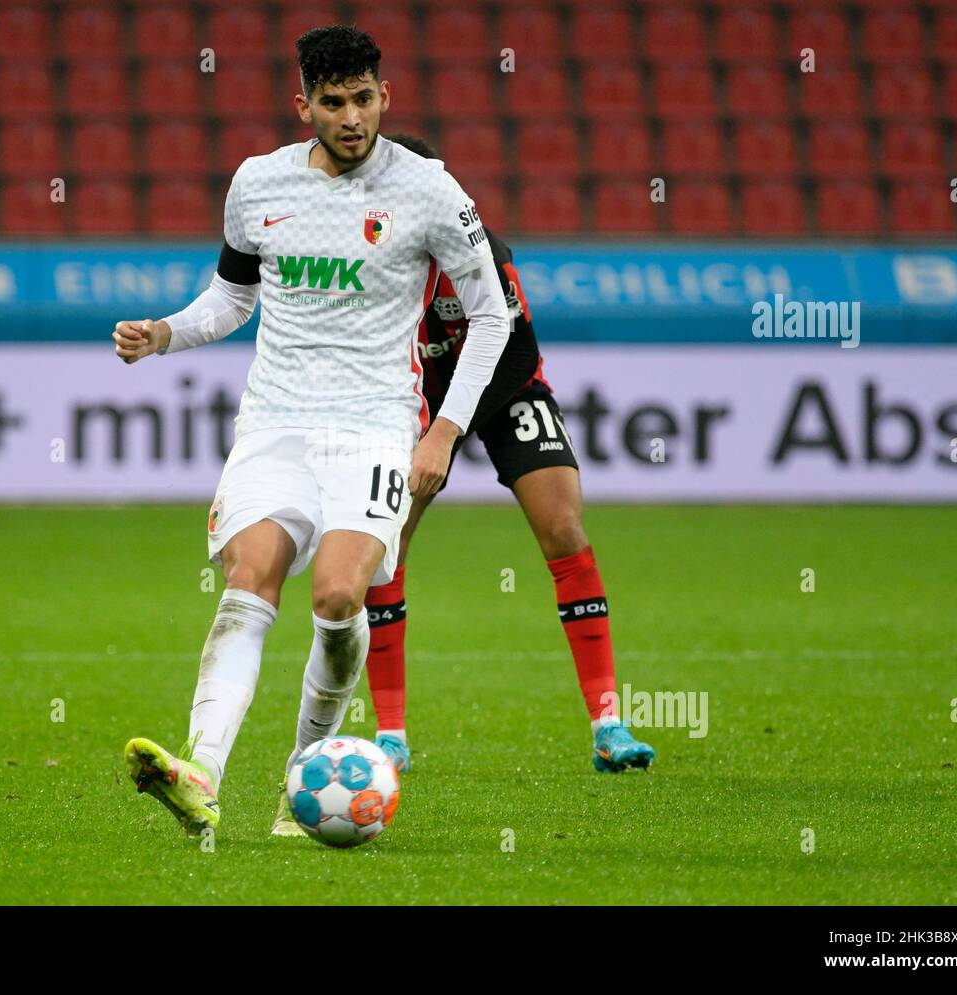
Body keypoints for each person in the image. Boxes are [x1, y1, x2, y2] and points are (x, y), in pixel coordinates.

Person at [111, 28, 510, 839]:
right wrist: (165, 333)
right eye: (333, 102)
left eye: (364, 98)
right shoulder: (259, 184)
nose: (352, 116)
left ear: (384, 96)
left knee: (336, 595)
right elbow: (230, 299)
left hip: (373, 427)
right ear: (305, 106)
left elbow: (491, 313)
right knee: (249, 577)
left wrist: (442, 433)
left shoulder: (429, 189)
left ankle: (304, 774)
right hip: (275, 423)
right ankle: (201, 773)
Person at [359, 134, 656, 779]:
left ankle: (608, 722)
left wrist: (451, 427)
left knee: (565, 530)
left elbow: (516, 350)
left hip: (502, 391)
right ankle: (389, 734)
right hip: (410, 404)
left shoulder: (477, 250)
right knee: (385, 547)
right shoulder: (364, 257)